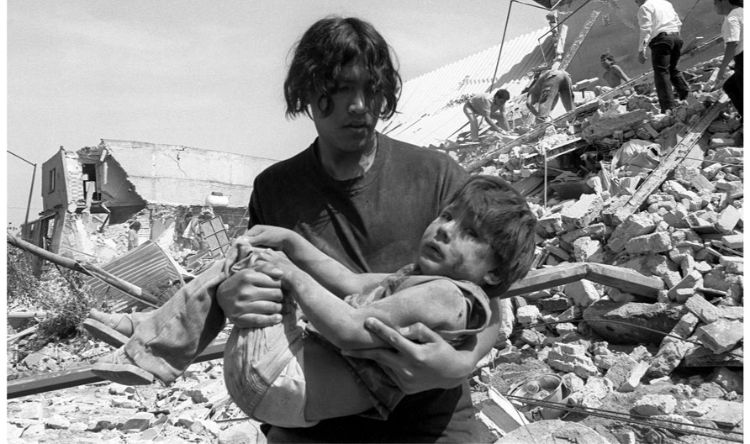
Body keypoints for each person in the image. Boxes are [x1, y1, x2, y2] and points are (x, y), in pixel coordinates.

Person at [89, 16, 501, 443]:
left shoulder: (437, 176)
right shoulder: (276, 188)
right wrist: (236, 296)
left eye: (371, 89)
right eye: (340, 89)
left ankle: (149, 334)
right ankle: (152, 337)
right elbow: (263, 284)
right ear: (306, 91)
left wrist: (462, 363)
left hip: (429, 419)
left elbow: (489, 296)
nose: (359, 105)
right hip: (314, 413)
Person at [92, 176, 536, 430]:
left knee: (253, 262)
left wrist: (289, 270)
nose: (444, 229)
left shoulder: (445, 295)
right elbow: (349, 280)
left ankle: (151, 341)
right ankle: (149, 332)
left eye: (471, 234)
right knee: (262, 258)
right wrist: (291, 243)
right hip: (285, 396)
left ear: (495, 273)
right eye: (447, 216)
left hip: (280, 378)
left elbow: (350, 329)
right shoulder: (426, 283)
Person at [633, 0, 690, 113]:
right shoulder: (666, 3)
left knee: (661, 73)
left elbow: (646, 29)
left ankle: (668, 107)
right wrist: (676, 37)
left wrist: (641, 50)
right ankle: (686, 94)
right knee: (672, 69)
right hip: (675, 37)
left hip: (661, 41)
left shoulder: (644, 7)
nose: (635, 0)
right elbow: (678, 22)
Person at [712, 0, 743, 115]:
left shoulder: (731, 18)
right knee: (731, 86)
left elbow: (732, 44)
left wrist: (722, 68)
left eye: (716, 3)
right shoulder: (742, 11)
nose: (715, 7)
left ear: (724, 0)